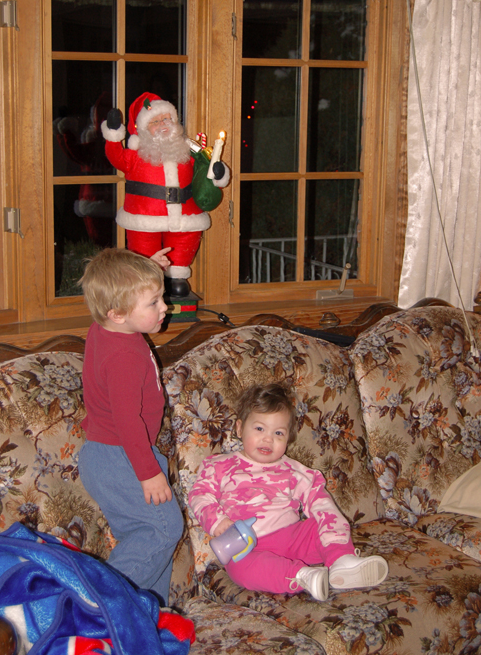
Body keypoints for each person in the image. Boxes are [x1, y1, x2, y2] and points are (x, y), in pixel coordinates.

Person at [188, 383, 388, 601]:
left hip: (293, 539)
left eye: (278, 433)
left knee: (320, 523)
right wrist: (218, 522)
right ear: (239, 428)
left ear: (287, 438)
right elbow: (199, 495)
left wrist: (330, 525)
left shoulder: (293, 470)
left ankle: (342, 563)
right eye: (259, 429)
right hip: (248, 546)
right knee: (238, 567)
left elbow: (317, 499)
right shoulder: (220, 465)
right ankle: (302, 576)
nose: (268, 439)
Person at [77, 248, 184, 604]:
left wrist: (148, 269)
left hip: (112, 454)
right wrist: (148, 471)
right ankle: (94, 604)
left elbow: (118, 292)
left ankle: (145, 616)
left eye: (160, 297)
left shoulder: (106, 328)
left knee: (148, 535)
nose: (164, 307)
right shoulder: (123, 357)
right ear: (118, 314)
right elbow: (127, 422)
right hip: (120, 455)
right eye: (153, 302)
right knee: (164, 527)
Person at [101, 92, 230, 297]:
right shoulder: (135, 154)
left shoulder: (188, 151)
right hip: (144, 218)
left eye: (166, 118)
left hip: (186, 217)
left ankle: (177, 278)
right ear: (143, 129)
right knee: (145, 256)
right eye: (155, 121)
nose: (162, 124)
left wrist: (218, 173)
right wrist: (114, 132)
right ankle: (148, 284)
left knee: (182, 249)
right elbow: (115, 156)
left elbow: (205, 172)